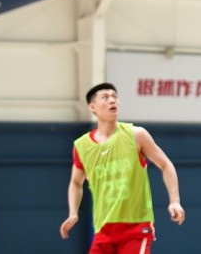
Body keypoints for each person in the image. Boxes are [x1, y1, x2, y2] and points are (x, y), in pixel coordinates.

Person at [59, 82, 185, 253]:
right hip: (103, 229)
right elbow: (75, 182)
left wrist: (175, 201)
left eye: (114, 97)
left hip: (136, 227)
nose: (112, 100)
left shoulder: (136, 135)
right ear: (92, 107)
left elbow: (166, 164)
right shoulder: (82, 146)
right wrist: (73, 212)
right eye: (105, 97)